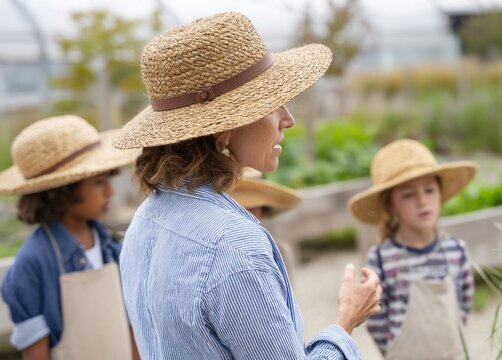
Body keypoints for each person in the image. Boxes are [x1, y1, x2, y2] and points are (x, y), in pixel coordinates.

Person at [112, 12, 381, 359]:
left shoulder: (144, 221)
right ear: (225, 128)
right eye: (272, 104)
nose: (289, 119)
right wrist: (345, 322)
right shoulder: (233, 248)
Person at [0, 115, 140, 360]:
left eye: (108, 178)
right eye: (98, 182)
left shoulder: (109, 245)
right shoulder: (33, 263)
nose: (110, 191)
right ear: (61, 192)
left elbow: (129, 326)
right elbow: (35, 352)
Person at [348, 139, 477, 360]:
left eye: (429, 190)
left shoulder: (456, 250)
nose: (422, 201)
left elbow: (465, 303)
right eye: (408, 195)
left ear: (440, 193)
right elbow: (376, 317)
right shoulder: (381, 258)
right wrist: (391, 350)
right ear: (391, 205)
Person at [229, 168, 302, 275]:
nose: (247, 214)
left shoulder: (278, 252)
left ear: (262, 208)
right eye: (241, 207)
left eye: (253, 207)